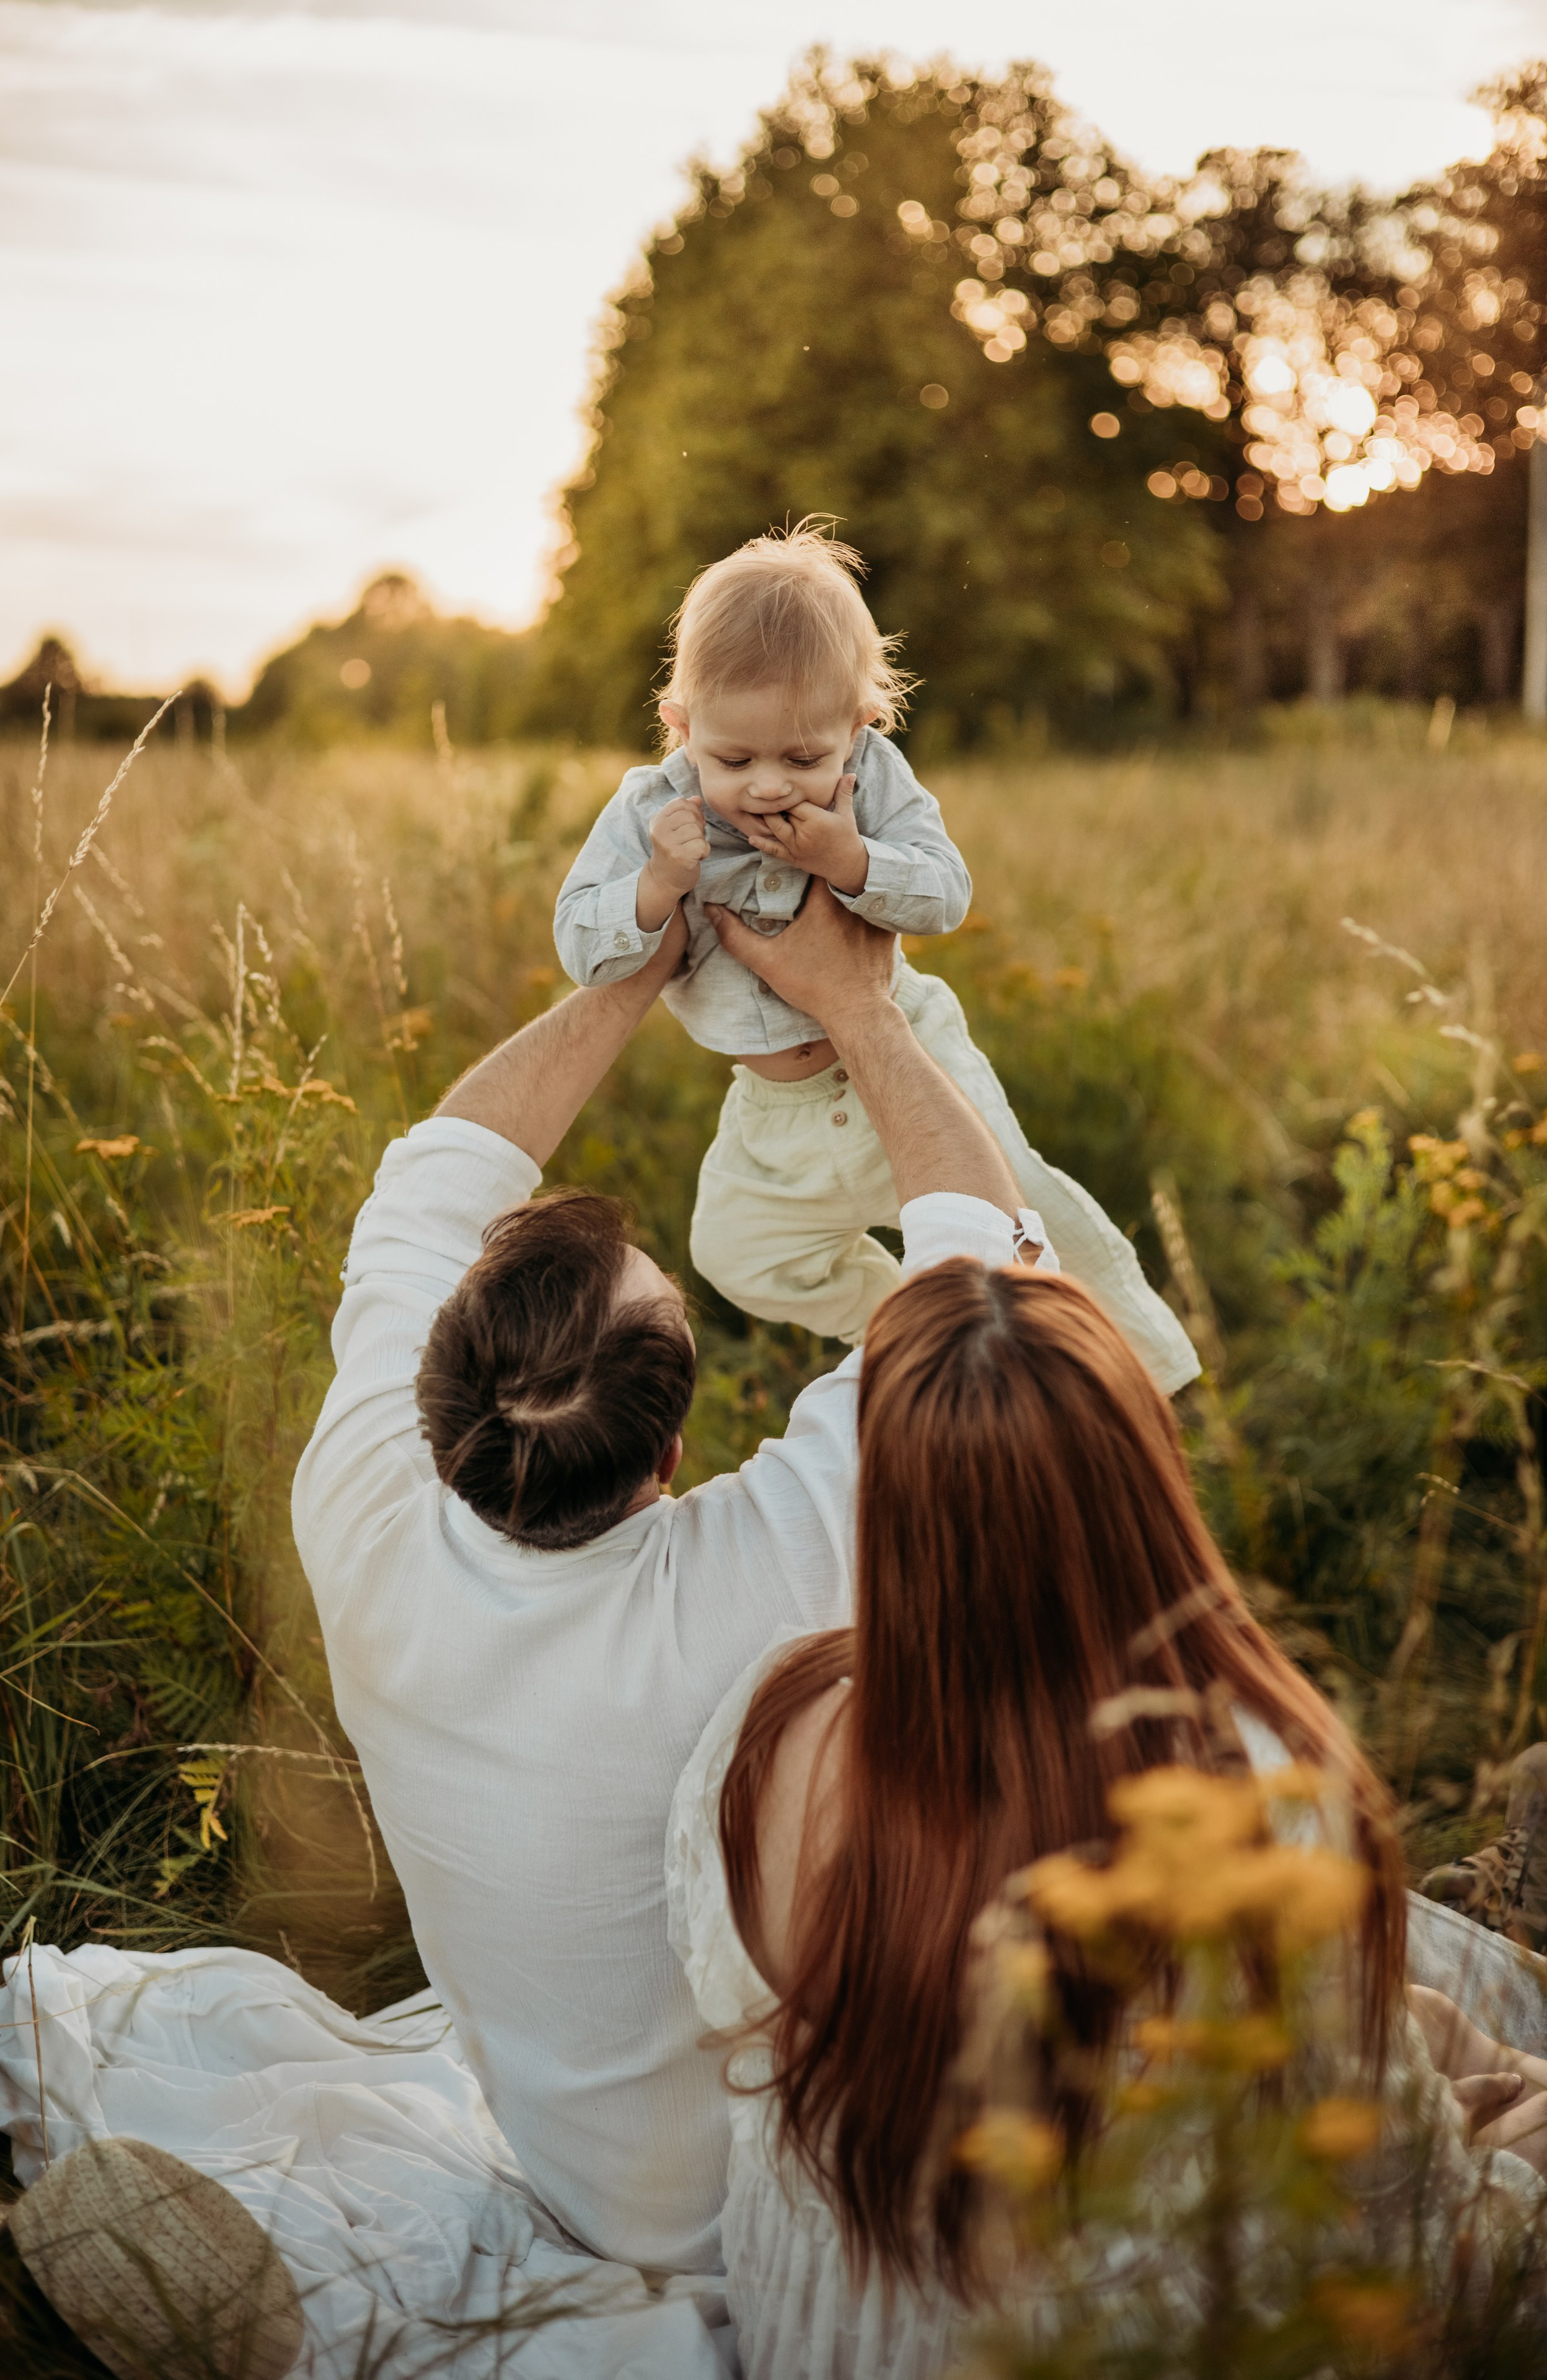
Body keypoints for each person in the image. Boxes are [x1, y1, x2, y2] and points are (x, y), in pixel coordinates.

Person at [287, 875, 1080, 2294]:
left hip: (579, 2179)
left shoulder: (355, 1507)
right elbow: (1003, 1283)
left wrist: (624, 976)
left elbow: (431, 1174)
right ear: (669, 1451)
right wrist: (852, 1003)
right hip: (818, 2205)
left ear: (434, 1377)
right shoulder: (759, 1575)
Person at [664, 1244, 1547, 2379]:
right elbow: (1411, 2231)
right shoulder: (1256, 1781)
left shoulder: (769, 1722)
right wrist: (1497, 2157)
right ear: (1145, 1485)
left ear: (886, 1503)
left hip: (833, 2327)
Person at [554, 522, 1197, 1391]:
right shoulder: (649, 809)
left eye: (805, 756)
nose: (771, 784)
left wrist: (847, 861)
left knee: (1021, 1220)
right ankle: (914, 1329)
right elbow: (580, 942)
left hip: (909, 1058)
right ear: (680, 727)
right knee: (732, 1251)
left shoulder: (877, 779)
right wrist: (655, 884)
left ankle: (1134, 1372)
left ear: (858, 729)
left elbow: (946, 892)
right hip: (776, 1110)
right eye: (733, 757)